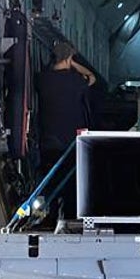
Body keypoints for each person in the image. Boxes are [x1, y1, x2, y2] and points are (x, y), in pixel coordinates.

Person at [35, 40, 95, 219]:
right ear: (69, 58)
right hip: (70, 143)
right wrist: (74, 63)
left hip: (48, 140)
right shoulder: (75, 81)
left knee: (50, 181)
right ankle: (69, 217)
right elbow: (92, 77)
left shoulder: (42, 79)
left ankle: (49, 217)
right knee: (71, 184)